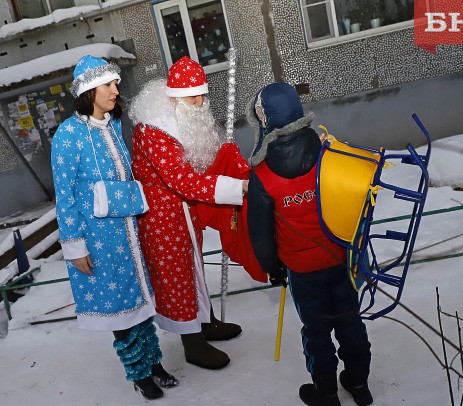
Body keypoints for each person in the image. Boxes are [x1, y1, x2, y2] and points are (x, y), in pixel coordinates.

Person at [51, 55, 177, 400]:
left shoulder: (113, 126)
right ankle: (138, 373)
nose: (115, 90)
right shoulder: (68, 135)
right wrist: (75, 246)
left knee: (140, 304)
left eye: (116, 83)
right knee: (121, 312)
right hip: (99, 240)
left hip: (129, 237)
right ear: (89, 90)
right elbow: (64, 196)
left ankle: (153, 363)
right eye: (108, 84)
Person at [246, 83, 373, 406]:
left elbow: (260, 232)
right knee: (349, 321)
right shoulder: (328, 152)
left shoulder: (262, 174)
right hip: (340, 258)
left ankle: (326, 393)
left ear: (264, 120)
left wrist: (272, 268)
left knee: (316, 332)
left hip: (302, 271)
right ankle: (359, 385)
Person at [128, 56, 247, 370]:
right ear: (174, 96)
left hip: (182, 213)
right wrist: (237, 189)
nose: (199, 101)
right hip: (161, 219)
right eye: (192, 96)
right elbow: (183, 181)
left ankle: (205, 322)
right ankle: (192, 343)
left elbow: (195, 162)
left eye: (201, 94)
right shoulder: (154, 131)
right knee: (176, 278)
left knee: (193, 270)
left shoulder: (181, 117)